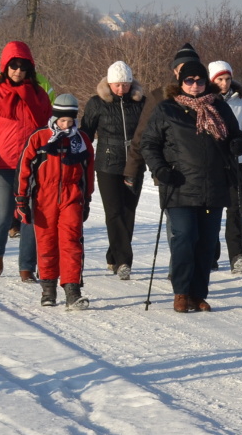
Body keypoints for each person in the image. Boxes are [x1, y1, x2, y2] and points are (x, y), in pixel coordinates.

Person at [140, 60, 242, 313]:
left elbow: (236, 134)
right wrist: (160, 169)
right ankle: (181, 291)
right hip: (179, 186)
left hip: (213, 185)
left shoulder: (218, 106)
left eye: (199, 80)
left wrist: (238, 143)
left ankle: (198, 294)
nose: (195, 85)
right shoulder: (167, 109)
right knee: (185, 237)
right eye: (189, 80)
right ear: (181, 83)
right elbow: (149, 143)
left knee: (207, 243)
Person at [0, 41, 52, 280]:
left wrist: (51, 157)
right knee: (3, 213)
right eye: (13, 66)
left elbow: (50, 127)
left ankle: (27, 266)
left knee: (31, 214)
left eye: (22, 67)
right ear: (5, 66)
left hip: (32, 164)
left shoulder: (38, 94)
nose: (18, 71)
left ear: (29, 69)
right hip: (1, 163)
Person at [17, 94, 95, 310]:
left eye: (70, 121)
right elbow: (24, 169)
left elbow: (88, 171)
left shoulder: (81, 140)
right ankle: (48, 289)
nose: (66, 125)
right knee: (47, 242)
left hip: (72, 195)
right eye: (62, 121)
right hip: (44, 197)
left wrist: (87, 198)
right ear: (54, 118)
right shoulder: (39, 138)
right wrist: (21, 198)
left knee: (71, 242)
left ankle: (72, 291)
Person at [79, 61, 145, 279]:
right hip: (107, 164)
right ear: (109, 84)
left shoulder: (141, 103)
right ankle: (124, 260)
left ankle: (113, 254)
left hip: (134, 162)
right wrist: (79, 157)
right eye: (117, 85)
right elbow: (86, 133)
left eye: (125, 84)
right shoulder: (97, 103)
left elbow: (151, 132)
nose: (121, 89)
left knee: (128, 211)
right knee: (114, 211)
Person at [123, 43, 199, 190]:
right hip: (169, 171)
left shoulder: (210, 98)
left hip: (203, 173)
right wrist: (132, 171)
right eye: (182, 68)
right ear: (175, 71)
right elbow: (142, 135)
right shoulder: (159, 97)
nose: (187, 72)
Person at [209, 60, 242, 275]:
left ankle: (237, 255)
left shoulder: (239, 102)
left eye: (227, 79)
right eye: (219, 79)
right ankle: (210, 253)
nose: (224, 83)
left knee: (236, 211)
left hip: (236, 164)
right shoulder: (206, 101)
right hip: (213, 165)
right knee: (212, 211)